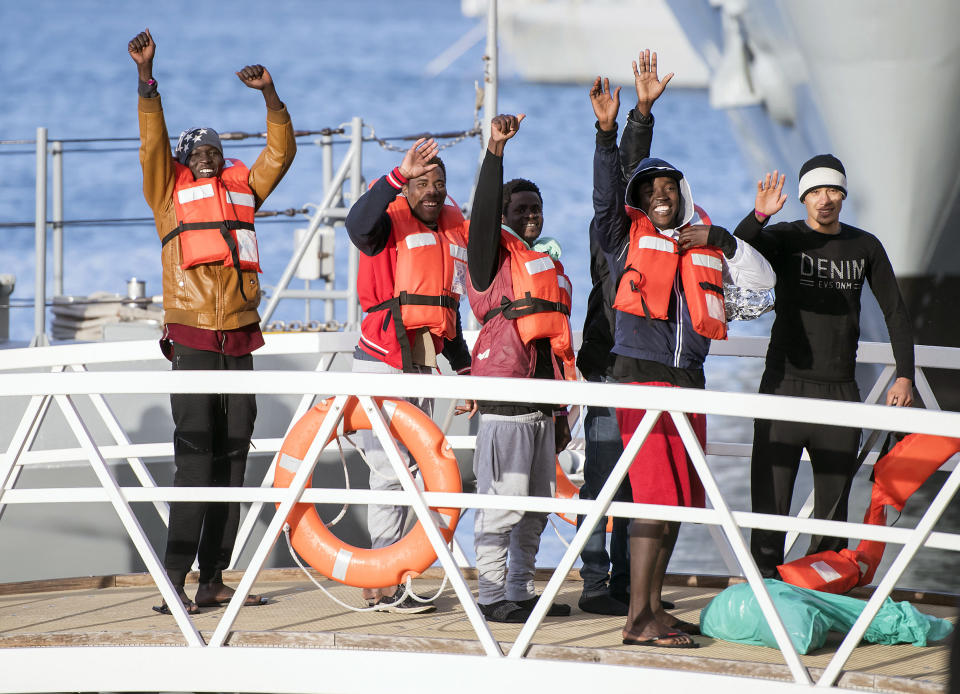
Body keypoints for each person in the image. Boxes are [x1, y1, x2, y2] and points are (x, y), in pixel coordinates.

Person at [591, 59, 776, 647]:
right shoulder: (622, 238)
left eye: (670, 188)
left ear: (684, 195)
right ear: (640, 202)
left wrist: (737, 233)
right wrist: (630, 121)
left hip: (687, 384)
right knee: (655, 499)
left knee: (679, 505)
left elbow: (758, 289)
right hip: (641, 385)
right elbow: (610, 187)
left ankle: (651, 608)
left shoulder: (703, 243)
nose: (661, 196)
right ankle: (637, 620)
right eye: (651, 191)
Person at [128, 28, 296, 614]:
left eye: (215, 153)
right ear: (182, 160)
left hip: (239, 340)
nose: (208, 159)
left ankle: (214, 577)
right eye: (198, 153)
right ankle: (174, 578)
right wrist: (148, 79)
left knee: (234, 455)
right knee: (195, 456)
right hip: (195, 338)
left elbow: (281, 153)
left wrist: (270, 97)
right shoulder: (166, 194)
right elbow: (151, 144)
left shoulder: (243, 188)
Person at [738, 157, 915, 578]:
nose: (825, 199)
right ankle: (763, 590)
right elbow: (737, 251)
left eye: (833, 190)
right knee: (770, 504)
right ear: (803, 198)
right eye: (815, 192)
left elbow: (895, 311)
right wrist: (760, 214)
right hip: (784, 386)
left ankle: (819, 591)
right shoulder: (784, 238)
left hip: (839, 390)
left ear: (843, 195)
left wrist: (904, 374)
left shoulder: (865, 246)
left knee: (834, 512)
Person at [344, 138, 473, 614]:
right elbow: (355, 224)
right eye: (422, 183)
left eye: (439, 183)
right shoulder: (385, 223)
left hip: (421, 365)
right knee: (390, 476)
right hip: (381, 361)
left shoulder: (448, 232)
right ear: (408, 186)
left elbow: (447, 311)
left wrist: (463, 367)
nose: (433, 191)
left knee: (412, 475)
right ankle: (381, 581)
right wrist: (397, 175)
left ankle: (392, 578)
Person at [466, 113, 574, 623]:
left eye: (537, 209)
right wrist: (495, 152)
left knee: (533, 511)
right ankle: (490, 598)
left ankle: (519, 592)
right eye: (520, 209)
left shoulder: (546, 262)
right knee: (501, 507)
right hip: (506, 402)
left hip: (542, 407)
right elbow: (484, 212)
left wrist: (562, 413)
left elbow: (554, 344)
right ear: (504, 215)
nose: (531, 216)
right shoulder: (490, 258)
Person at [577, 49, 666, 617]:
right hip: (609, 366)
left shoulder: (652, 236)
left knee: (635, 487)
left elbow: (631, 180)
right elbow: (614, 185)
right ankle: (593, 581)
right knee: (602, 483)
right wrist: (612, 127)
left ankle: (623, 588)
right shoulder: (610, 232)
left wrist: (642, 112)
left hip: (648, 374)